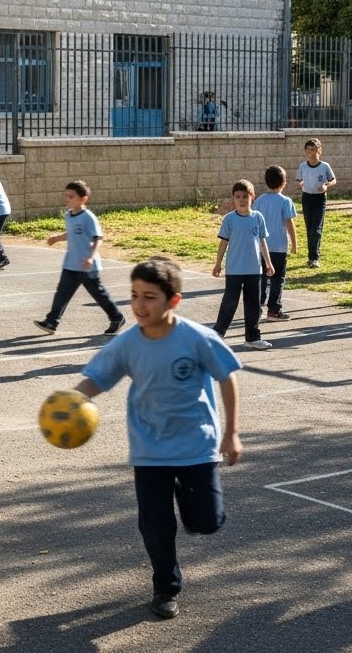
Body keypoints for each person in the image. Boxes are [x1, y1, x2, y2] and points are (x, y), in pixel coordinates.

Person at [69, 256, 242, 620]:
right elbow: (98, 377)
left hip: (196, 445)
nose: (139, 305)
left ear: (173, 300)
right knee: (156, 526)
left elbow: (227, 377)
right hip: (150, 450)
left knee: (206, 522)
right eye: (133, 295)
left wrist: (232, 433)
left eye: (149, 297)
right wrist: (73, 400)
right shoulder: (128, 343)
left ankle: (188, 496)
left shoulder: (196, 338)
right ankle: (166, 588)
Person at [33, 181, 126, 337]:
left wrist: (90, 257)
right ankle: (51, 322)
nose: (67, 199)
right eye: (66, 196)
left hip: (87, 266)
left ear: (83, 199)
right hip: (71, 263)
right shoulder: (68, 215)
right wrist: (57, 238)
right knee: (62, 293)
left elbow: (98, 239)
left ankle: (117, 318)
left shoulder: (88, 218)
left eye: (71, 197)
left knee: (98, 294)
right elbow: (72, 233)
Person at [211, 180, 274, 351]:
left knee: (253, 305)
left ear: (252, 197)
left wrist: (268, 263)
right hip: (234, 270)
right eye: (238, 197)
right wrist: (218, 264)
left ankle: (252, 338)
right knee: (230, 302)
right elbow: (223, 243)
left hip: (254, 269)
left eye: (245, 196)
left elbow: (262, 241)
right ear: (233, 198)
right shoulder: (229, 219)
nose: (241, 200)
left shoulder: (258, 217)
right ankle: (216, 335)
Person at [253, 165, 296, 322]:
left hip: (261, 246)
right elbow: (289, 223)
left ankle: (256, 308)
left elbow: (254, 222)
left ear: (266, 182)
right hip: (278, 247)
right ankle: (274, 310)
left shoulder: (259, 201)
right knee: (278, 278)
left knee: (261, 278)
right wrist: (294, 243)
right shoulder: (286, 201)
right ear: (284, 183)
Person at [295, 139, 334, 268]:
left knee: (316, 229)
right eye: (308, 151)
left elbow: (333, 180)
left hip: (320, 199)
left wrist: (326, 185)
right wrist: (300, 184)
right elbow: (299, 180)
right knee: (309, 228)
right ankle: (310, 255)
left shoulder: (325, 166)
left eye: (313, 150)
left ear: (319, 151)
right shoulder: (303, 166)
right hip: (307, 198)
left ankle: (314, 258)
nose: (311, 153)